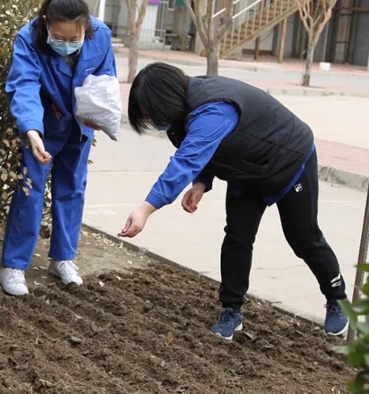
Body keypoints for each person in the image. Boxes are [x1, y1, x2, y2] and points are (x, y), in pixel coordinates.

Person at [119, 62, 349, 340]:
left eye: (150, 114)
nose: (153, 121)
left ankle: (337, 298)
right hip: (246, 171)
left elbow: (186, 160)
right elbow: (203, 150)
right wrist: (202, 182)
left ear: (165, 100)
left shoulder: (214, 108)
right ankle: (231, 310)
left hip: (289, 161)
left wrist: (146, 208)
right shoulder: (181, 113)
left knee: (303, 237)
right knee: (237, 237)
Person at [0, 0, 116, 296]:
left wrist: (101, 116)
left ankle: (63, 258)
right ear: (46, 23)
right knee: (30, 190)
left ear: (86, 28)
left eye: (74, 39)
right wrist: (32, 131)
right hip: (43, 126)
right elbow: (23, 86)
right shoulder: (29, 37)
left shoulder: (101, 36)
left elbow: (105, 82)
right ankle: (13, 264)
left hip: (80, 126)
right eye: (59, 38)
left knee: (72, 190)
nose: (66, 44)